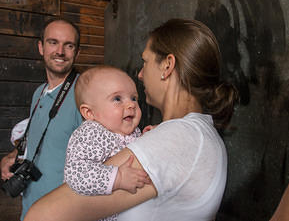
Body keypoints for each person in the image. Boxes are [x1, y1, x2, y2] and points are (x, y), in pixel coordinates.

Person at [24, 18, 239, 221]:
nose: (140, 74)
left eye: (145, 62)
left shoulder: (177, 138)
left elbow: (41, 216)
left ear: (167, 66)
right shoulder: (194, 132)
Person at [0, 17, 82, 220]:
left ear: (77, 52)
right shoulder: (39, 92)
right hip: (30, 207)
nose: (60, 52)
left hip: (63, 213)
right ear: (41, 47)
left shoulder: (87, 93)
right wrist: (14, 154)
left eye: (69, 45)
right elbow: (41, 136)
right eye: (53, 42)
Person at [64, 66, 150, 220]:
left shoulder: (133, 131)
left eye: (133, 98)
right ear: (90, 113)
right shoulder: (90, 133)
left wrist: (148, 137)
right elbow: (76, 173)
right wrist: (118, 177)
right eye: (117, 99)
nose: (131, 105)